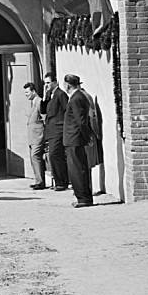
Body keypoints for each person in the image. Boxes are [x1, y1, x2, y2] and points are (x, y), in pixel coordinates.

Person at [62, 74, 93, 208]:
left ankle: (83, 198)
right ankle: (83, 197)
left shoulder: (76, 98)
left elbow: (81, 121)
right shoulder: (77, 97)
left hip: (75, 139)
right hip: (74, 138)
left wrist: (87, 137)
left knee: (77, 169)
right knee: (78, 168)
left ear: (68, 85)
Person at [40, 71, 68, 190]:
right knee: (53, 156)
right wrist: (44, 97)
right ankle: (58, 181)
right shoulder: (50, 95)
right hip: (51, 130)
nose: (46, 85)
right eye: (45, 83)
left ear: (55, 82)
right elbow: (43, 111)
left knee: (55, 155)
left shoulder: (60, 94)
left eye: (48, 83)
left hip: (58, 129)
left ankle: (62, 182)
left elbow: (66, 110)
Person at [79, 85, 105, 195]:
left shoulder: (84, 98)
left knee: (86, 163)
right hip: (89, 134)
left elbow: (91, 118)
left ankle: (87, 189)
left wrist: (95, 133)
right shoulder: (86, 96)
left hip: (87, 135)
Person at [23, 82, 46, 189]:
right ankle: (38, 180)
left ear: (33, 91)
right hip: (33, 136)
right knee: (33, 158)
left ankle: (40, 182)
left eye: (27, 92)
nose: (26, 94)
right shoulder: (33, 102)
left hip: (38, 135)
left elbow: (44, 118)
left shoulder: (39, 101)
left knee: (35, 156)